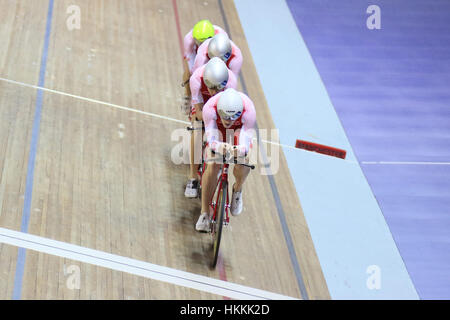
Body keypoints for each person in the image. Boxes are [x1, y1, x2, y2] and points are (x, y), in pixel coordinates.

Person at [195, 88, 256, 232]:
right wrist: (219, 146)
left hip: (239, 130)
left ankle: (238, 189)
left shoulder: (248, 111)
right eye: (225, 116)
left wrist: (239, 150)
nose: (228, 120)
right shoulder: (210, 108)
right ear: (219, 110)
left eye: (232, 116)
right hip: (217, 129)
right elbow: (211, 139)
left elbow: (245, 143)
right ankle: (204, 213)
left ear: (239, 112)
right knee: (213, 165)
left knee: (243, 160)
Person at [184, 58, 238, 198]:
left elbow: (229, 109)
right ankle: (193, 178)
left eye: (218, 87)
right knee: (197, 129)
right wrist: (208, 123)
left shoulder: (231, 81)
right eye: (211, 87)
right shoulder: (196, 78)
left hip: (221, 109)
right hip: (204, 108)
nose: (214, 92)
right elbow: (199, 110)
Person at [182, 20, 228, 107]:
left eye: (203, 42)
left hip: (215, 51)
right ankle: (187, 96)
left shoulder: (222, 36)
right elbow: (191, 63)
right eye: (200, 42)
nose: (203, 44)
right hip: (196, 52)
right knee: (190, 74)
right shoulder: (188, 39)